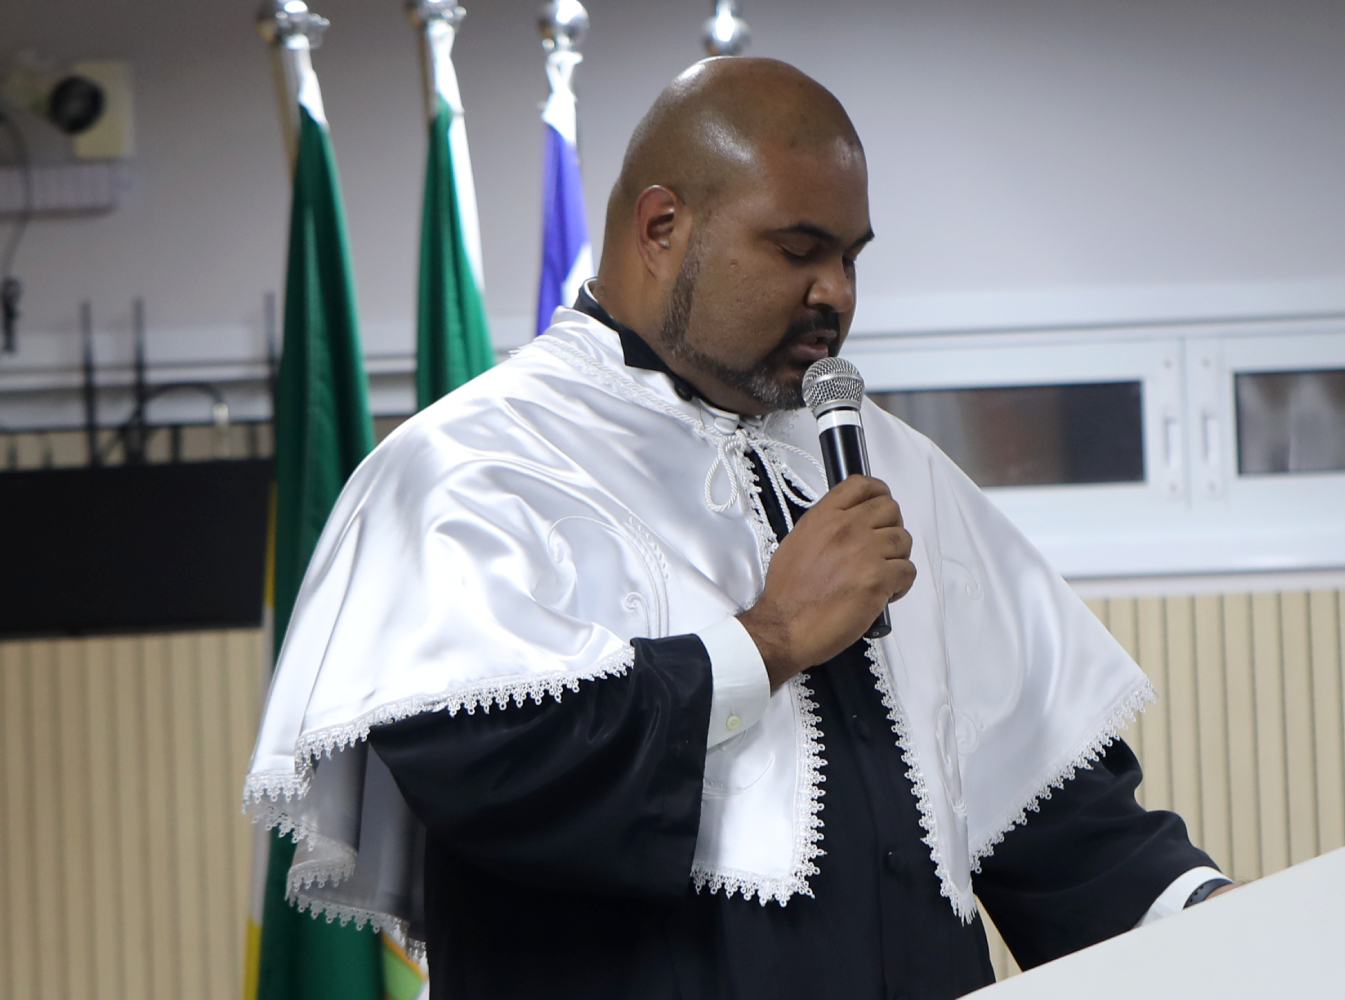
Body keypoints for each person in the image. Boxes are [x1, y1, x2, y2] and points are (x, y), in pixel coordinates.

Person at [246, 57, 1231, 1000]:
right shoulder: (472, 467)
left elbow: (1057, 819)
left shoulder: (898, 466)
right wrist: (772, 638)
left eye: (850, 259)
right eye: (799, 250)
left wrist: (1219, 918)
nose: (836, 293)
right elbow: (493, 774)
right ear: (663, 225)